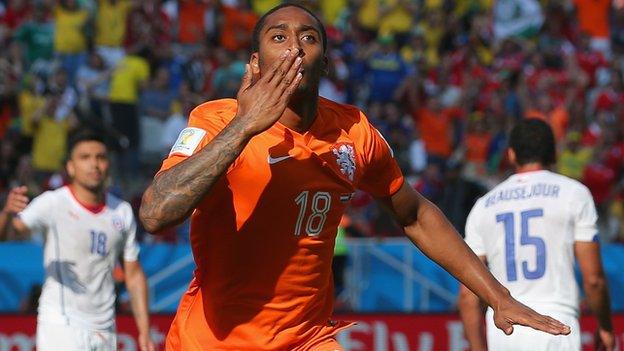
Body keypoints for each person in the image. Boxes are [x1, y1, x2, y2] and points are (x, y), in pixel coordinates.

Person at [139, 4, 570, 350]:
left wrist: (499, 298)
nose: (294, 47)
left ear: (323, 62)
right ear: (255, 61)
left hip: (307, 338)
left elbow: (415, 214)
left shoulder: (354, 132)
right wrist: (244, 127)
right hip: (214, 340)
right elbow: (157, 212)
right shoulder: (216, 119)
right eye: (278, 37)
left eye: (308, 38)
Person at [458, 119, 614, 351]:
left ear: (511, 154)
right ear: (553, 153)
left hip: (505, 327)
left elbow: (468, 296)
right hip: (557, 322)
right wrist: (605, 327)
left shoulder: (484, 205)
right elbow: (593, 280)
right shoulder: (574, 193)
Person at [0, 130, 155, 351]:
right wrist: (6, 214)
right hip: (61, 323)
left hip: (105, 328)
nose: (94, 164)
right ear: (71, 167)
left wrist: (145, 330)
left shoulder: (121, 212)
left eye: (100, 157)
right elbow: (7, 235)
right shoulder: (53, 203)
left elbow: (133, 273)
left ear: (108, 164)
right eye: (85, 157)